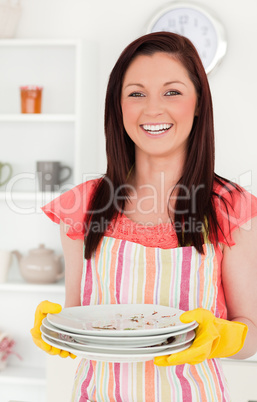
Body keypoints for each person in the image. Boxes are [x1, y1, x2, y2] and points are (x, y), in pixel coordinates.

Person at [31, 32, 257, 401]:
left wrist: (223, 336)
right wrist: (57, 332)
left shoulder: (231, 207)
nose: (153, 110)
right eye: (136, 93)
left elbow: (251, 335)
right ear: (118, 107)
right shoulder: (82, 206)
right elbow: (77, 320)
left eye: (172, 92)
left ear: (199, 102)